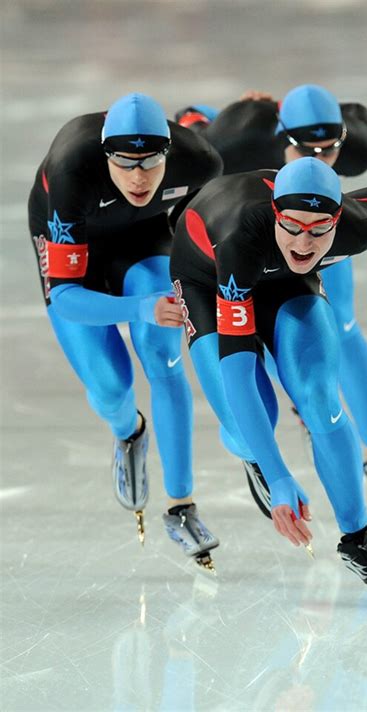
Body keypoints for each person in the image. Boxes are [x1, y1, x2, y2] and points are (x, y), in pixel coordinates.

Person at [175, 85, 367, 514]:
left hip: (314, 231)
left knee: (339, 326)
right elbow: (187, 149)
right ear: (280, 135)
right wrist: (197, 119)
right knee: (255, 338)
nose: (317, 159)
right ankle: (285, 415)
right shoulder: (239, 137)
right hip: (245, 242)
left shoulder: (356, 146)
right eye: (306, 149)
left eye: (330, 152)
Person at [170, 156, 367, 598]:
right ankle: (253, 456)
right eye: (292, 225)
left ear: (339, 220)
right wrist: (277, 476)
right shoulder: (241, 236)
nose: (304, 242)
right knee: (248, 419)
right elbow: (237, 370)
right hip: (208, 279)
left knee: (319, 397)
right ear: (275, 213)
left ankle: (358, 539)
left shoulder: (360, 227)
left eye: (319, 230)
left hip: (283, 285)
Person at [28, 92, 222, 570]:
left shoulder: (199, 161)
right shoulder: (72, 169)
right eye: (125, 163)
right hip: (79, 252)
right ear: (104, 155)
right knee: (110, 384)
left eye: (150, 163)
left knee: (163, 353)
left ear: (169, 155)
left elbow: (199, 234)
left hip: (144, 237)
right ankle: (129, 432)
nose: (138, 177)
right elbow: (68, 299)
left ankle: (181, 505)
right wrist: (139, 306)